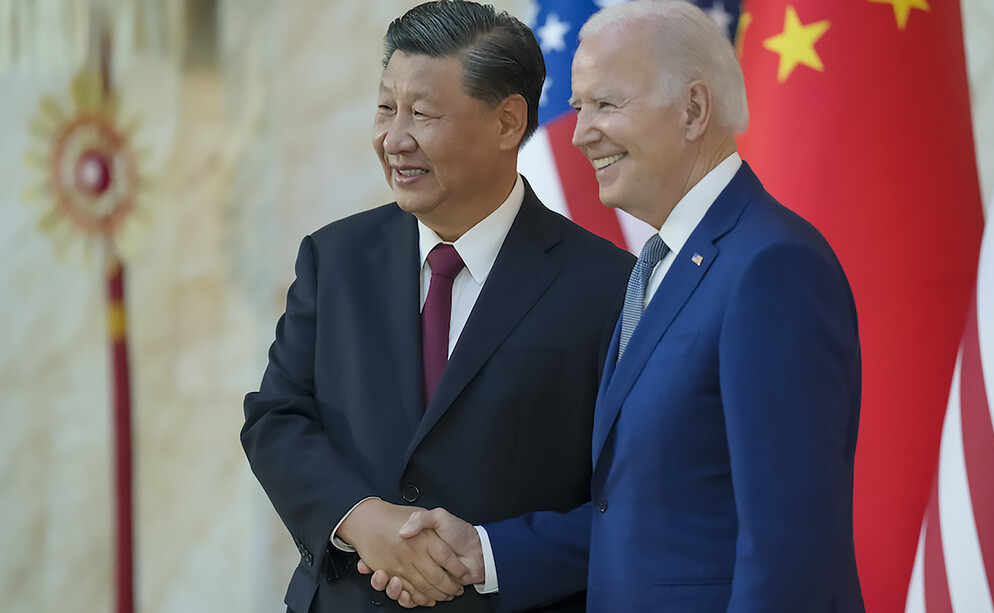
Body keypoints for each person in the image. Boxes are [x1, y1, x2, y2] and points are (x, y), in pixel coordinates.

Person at [370, 1, 866, 611]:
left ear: (693, 110)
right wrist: (486, 551)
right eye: (579, 108)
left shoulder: (771, 266)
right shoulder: (657, 268)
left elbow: (792, 550)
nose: (579, 133)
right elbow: (642, 510)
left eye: (607, 105)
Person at [240, 1, 634, 611]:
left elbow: (629, 503)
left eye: (421, 113)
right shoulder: (334, 258)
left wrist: (486, 555)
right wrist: (361, 520)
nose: (393, 139)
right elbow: (276, 419)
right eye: (384, 108)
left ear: (508, 123)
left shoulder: (607, 287)